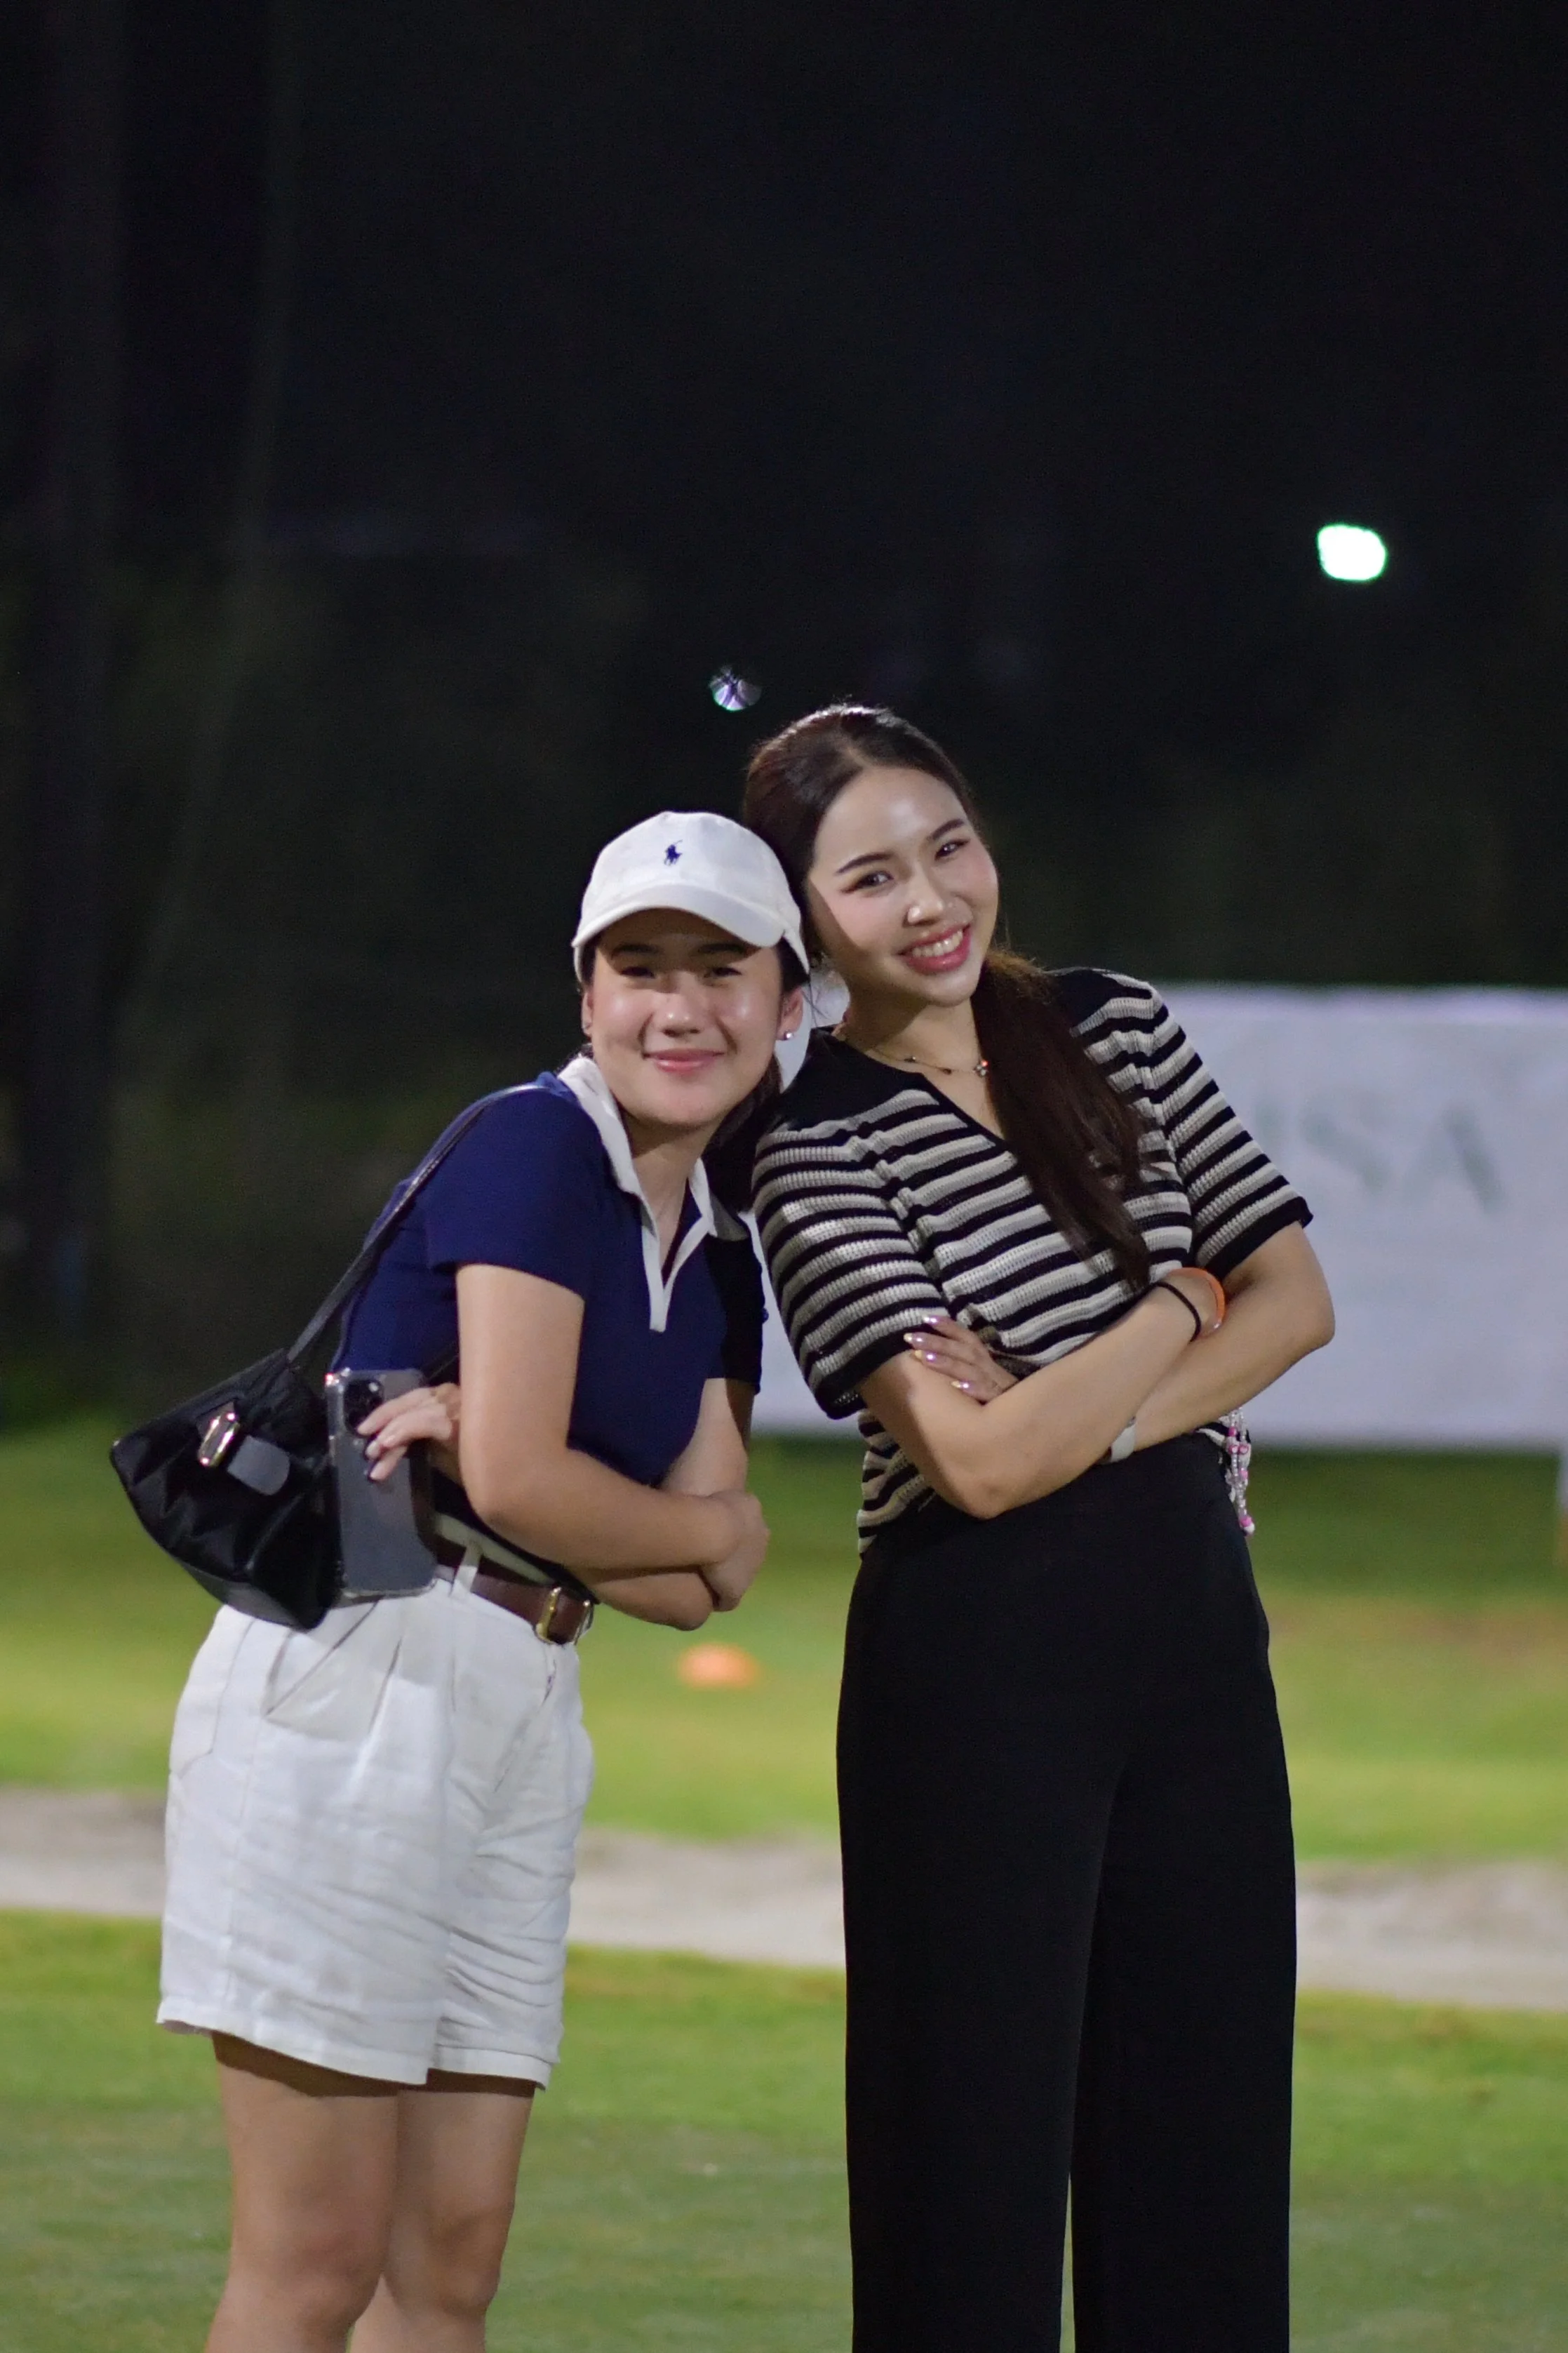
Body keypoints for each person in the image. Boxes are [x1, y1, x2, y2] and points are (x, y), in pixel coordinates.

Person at [157, 810, 805, 2353]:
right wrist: (684, 1520)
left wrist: (667, 1524)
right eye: (639, 967)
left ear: (788, 1004)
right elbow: (552, 1492)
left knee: (449, 2267)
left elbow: (694, 1584)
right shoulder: (534, 1145)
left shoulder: (721, 1251)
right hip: (364, 1676)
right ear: (586, 994)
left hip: (524, 1690)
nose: (679, 1007)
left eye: (721, 970)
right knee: (314, 2262)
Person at [741, 705, 1334, 2353]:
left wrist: (1100, 1409)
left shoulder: (1112, 1025)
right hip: (974, 1659)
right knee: (967, 2157)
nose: (932, 898)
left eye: (948, 846)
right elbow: (981, 1467)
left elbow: (1300, 1297)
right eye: (871, 877)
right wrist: (1179, 1301)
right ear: (805, 917)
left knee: (1207, 2139)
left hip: (1190, 1634)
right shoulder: (805, 1142)